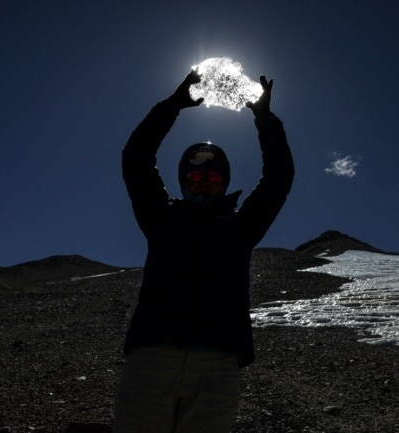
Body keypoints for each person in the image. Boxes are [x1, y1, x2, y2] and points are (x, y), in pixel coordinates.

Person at [114, 70, 294, 433]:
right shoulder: (160, 218)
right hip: (153, 355)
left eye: (214, 177)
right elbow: (136, 159)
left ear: (225, 181)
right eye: (196, 176)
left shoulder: (242, 228)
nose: (205, 182)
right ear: (182, 181)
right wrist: (172, 106)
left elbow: (278, 178)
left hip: (218, 361)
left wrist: (265, 119)